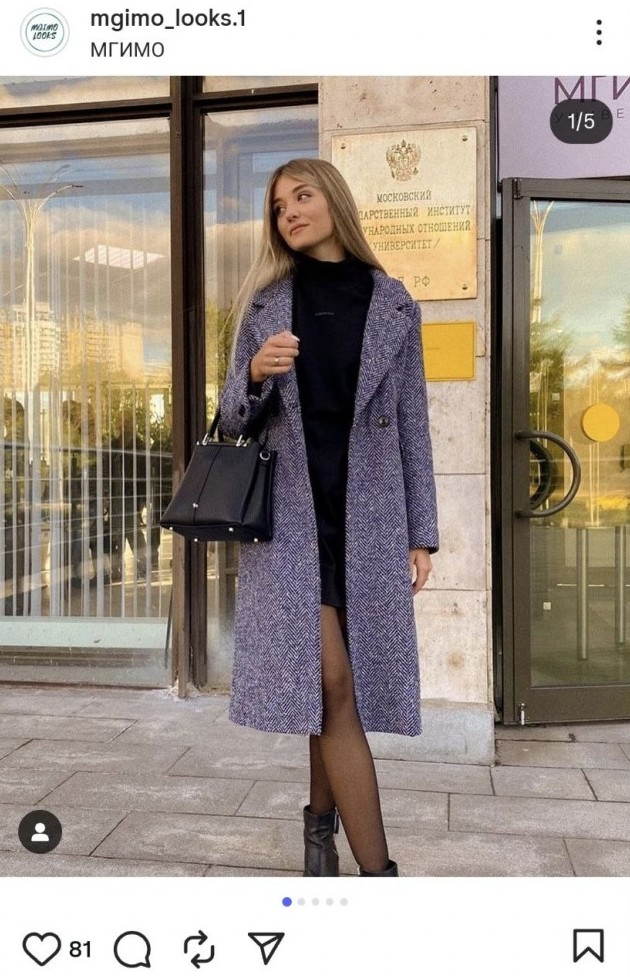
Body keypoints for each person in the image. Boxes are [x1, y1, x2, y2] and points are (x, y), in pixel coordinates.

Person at [219, 158, 438, 877]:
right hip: (291, 525)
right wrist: (255, 375)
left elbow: (412, 425)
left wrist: (421, 533)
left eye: (301, 196)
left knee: (331, 688)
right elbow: (229, 420)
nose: (288, 212)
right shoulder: (265, 305)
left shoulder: (394, 304)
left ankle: (319, 833)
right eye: (278, 206)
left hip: (366, 522)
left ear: (334, 200)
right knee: (336, 684)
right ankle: (380, 877)